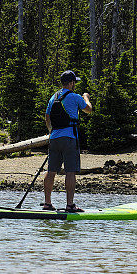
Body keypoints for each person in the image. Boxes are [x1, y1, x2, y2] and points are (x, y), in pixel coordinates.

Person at [43, 70, 92, 212]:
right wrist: (86, 98)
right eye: (74, 82)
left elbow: (47, 117)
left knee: (51, 171)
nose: (74, 84)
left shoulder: (53, 97)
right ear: (71, 83)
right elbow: (88, 110)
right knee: (70, 172)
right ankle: (70, 205)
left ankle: (47, 203)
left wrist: (51, 131)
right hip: (69, 138)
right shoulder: (75, 97)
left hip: (54, 138)